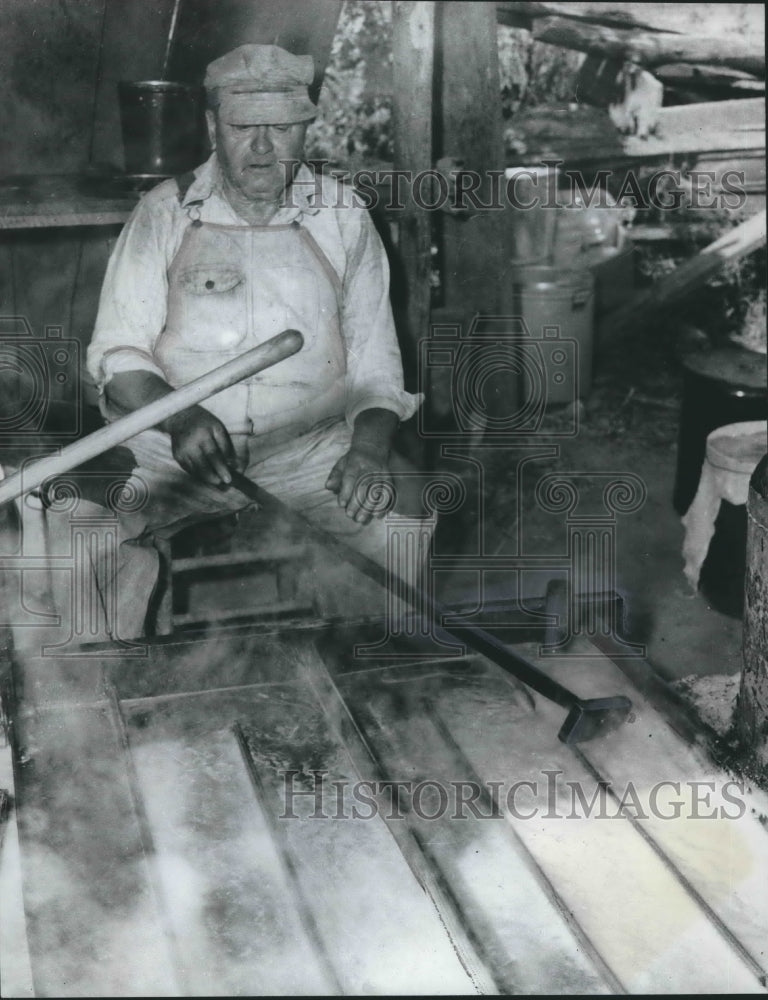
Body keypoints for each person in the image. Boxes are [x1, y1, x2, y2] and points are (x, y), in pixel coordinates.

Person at [86, 43, 427, 638]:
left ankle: (364, 669)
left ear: (306, 130)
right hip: (170, 454)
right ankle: (114, 680)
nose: (264, 148)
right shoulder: (164, 213)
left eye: (283, 128)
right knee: (81, 534)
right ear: (213, 126)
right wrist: (181, 416)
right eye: (244, 128)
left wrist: (369, 451)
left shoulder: (343, 216)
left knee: (398, 516)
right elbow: (117, 357)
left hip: (308, 453)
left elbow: (377, 364)